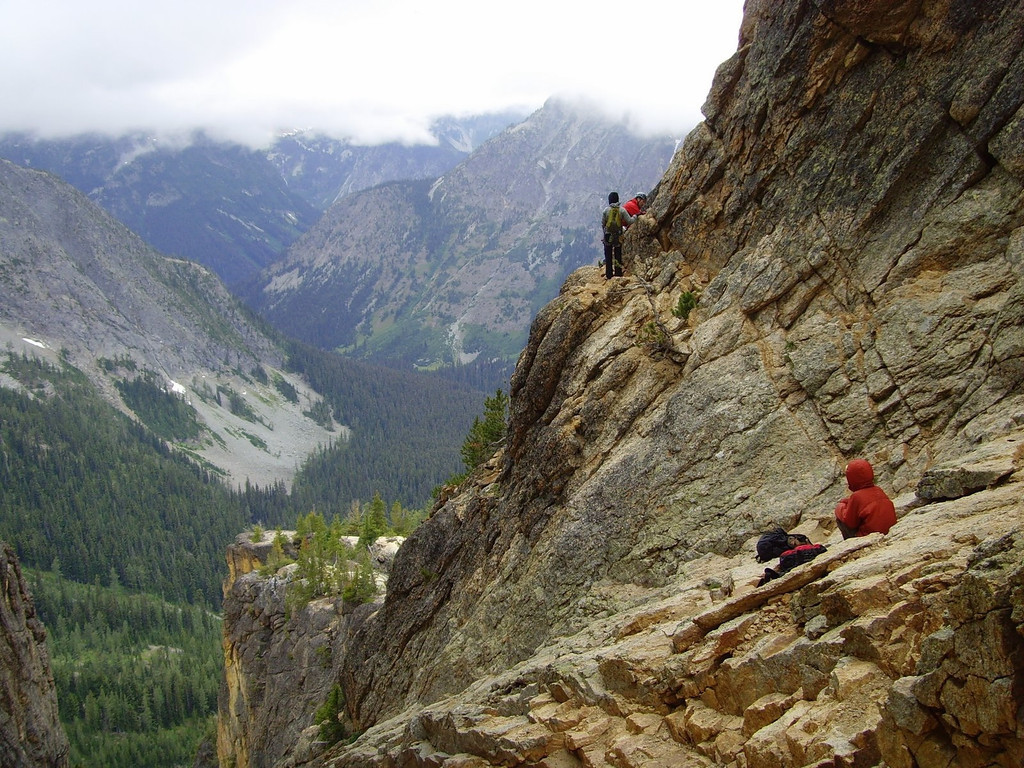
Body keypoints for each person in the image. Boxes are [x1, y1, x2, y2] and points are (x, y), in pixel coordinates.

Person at [834, 459, 897, 538]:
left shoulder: (857, 496)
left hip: (868, 536)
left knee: (841, 517)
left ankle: (849, 541)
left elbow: (849, 521)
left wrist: (839, 507)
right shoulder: (878, 490)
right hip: (887, 531)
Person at [601, 192, 633, 279]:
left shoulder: (606, 211)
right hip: (618, 235)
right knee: (617, 253)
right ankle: (618, 273)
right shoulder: (622, 210)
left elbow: (603, 223)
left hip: (608, 234)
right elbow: (629, 221)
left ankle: (609, 274)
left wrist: (604, 233)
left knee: (608, 254)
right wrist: (636, 216)